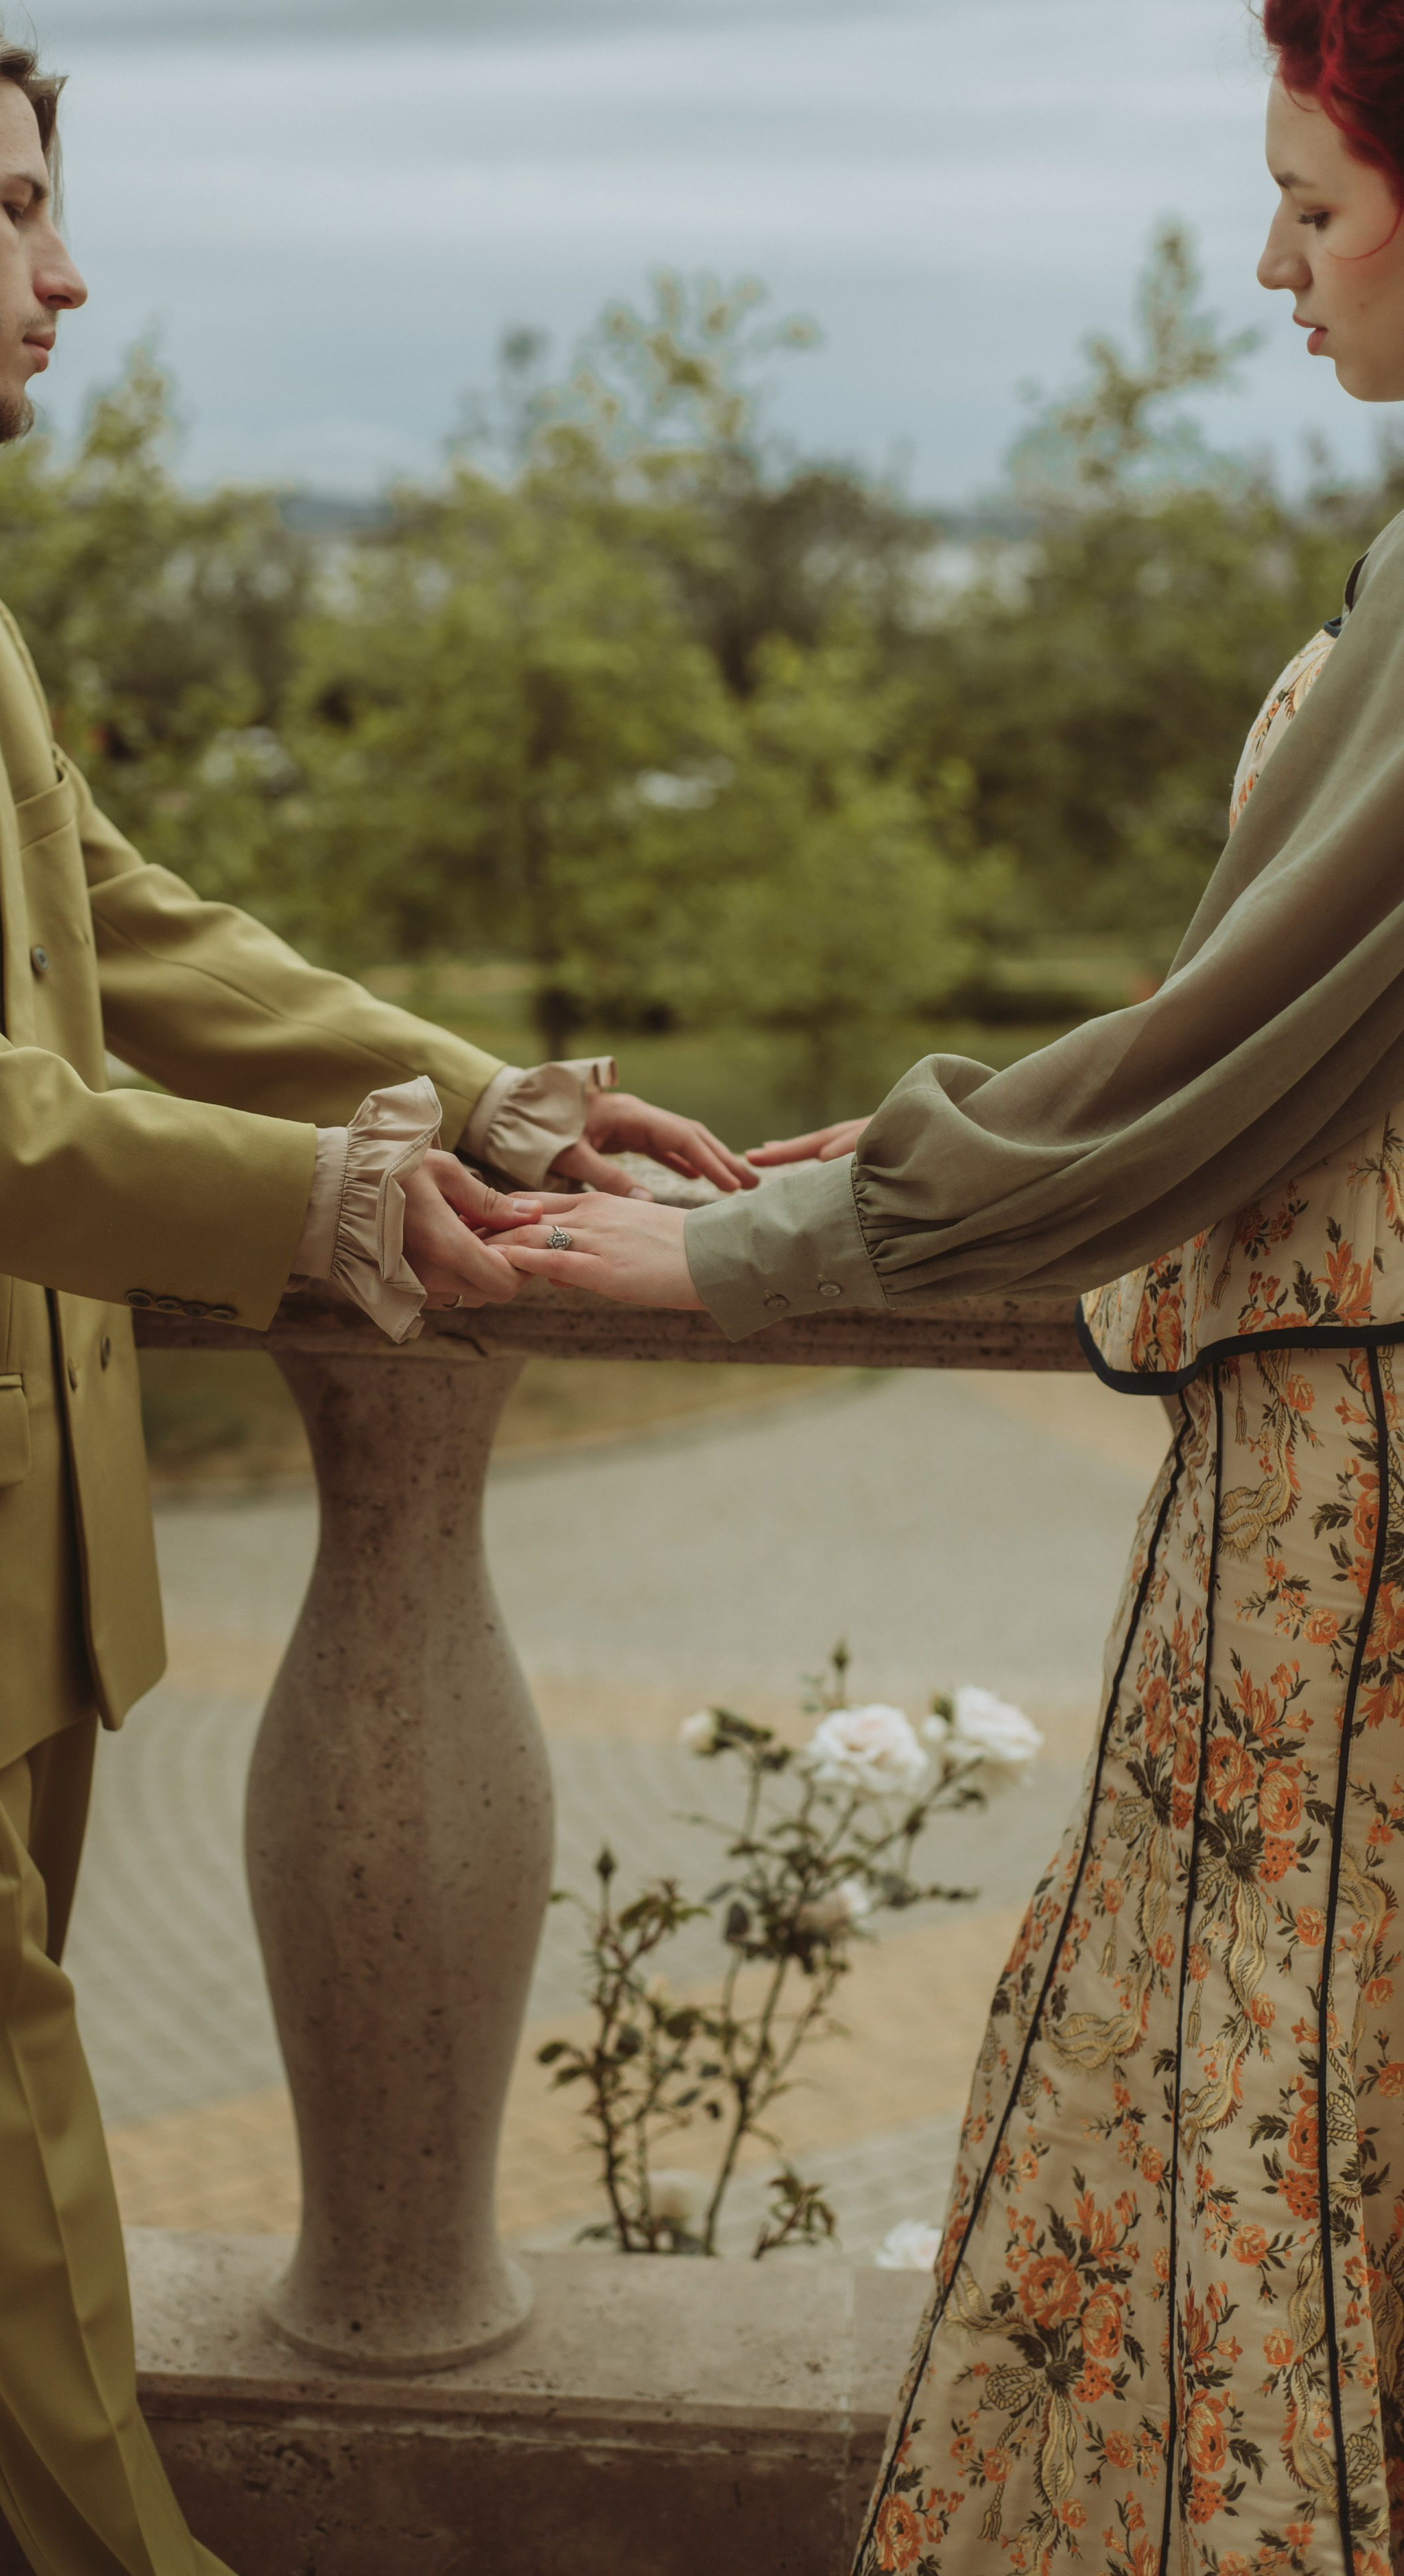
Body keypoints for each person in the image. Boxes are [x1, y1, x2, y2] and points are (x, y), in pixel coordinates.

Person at [0, 1, 755, 2564]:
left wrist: (485, 1091)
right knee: (23, 2204)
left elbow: (128, 928)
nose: (70, 274)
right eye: (23, 209)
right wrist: (323, 1202)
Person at [502, 3, 1404, 2565]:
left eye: (1314, 206)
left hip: (1348, 1536)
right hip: (1334, 1519)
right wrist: (924, 1147)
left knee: (1270, 2152)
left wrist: (794, 1245)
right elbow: (1256, 1019)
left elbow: (1243, 1061)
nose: (1266, 264)